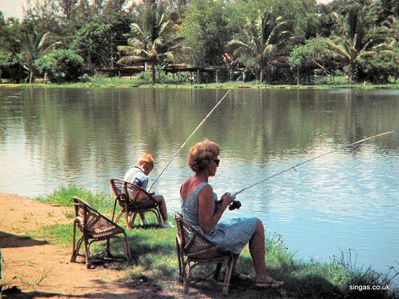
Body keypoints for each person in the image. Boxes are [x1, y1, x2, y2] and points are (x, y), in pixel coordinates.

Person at [180, 139, 284, 288]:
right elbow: (207, 226)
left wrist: (218, 203)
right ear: (207, 163)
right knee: (256, 224)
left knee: (239, 222)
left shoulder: (187, 183)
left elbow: (197, 212)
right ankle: (261, 277)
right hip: (204, 244)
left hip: (192, 240)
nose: (218, 165)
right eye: (217, 161)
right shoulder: (205, 189)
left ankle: (231, 272)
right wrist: (224, 204)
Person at [124, 153, 173, 228]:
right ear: (148, 169)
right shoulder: (144, 177)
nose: (148, 173)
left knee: (138, 196)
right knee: (161, 198)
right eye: (150, 171)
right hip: (136, 203)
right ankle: (166, 222)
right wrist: (149, 195)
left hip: (125, 200)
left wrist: (146, 194)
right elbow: (142, 197)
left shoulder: (130, 171)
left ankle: (144, 221)